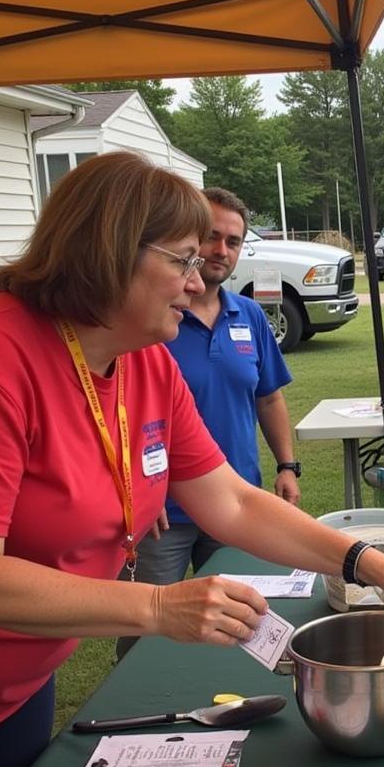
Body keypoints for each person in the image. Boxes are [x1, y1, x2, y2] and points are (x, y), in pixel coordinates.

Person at [0, 151, 384, 767]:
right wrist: (157, 608)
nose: (197, 282)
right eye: (183, 259)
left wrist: (366, 562)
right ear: (111, 253)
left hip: (23, 672)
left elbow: (232, 502)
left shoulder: (145, 360)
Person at [116, 187, 299, 661]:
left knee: (239, 624)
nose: (220, 251)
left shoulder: (250, 315)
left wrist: (287, 465)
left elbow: (269, 396)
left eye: (233, 241)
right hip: (164, 517)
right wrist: (140, 486)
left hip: (236, 502)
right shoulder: (147, 323)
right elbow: (120, 407)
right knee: (147, 635)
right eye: (210, 238)